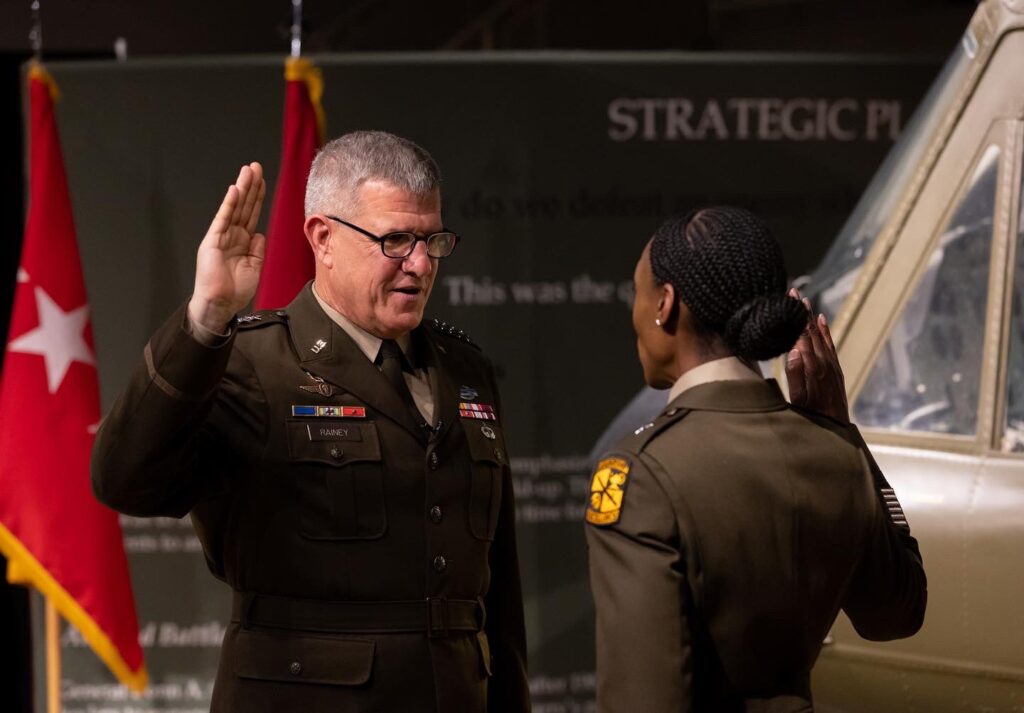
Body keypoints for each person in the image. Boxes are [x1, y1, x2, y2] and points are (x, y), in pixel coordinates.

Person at [92, 131, 529, 713]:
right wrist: (206, 319)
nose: (421, 265)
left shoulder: (467, 368)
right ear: (323, 238)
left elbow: (498, 591)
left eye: (433, 241)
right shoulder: (247, 362)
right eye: (396, 240)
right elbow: (125, 480)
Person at [584, 206, 927, 712]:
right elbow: (897, 614)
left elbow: (645, 698)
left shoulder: (641, 475)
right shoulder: (834, 452)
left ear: (665, 305)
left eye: (638, 293)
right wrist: (845, 436)